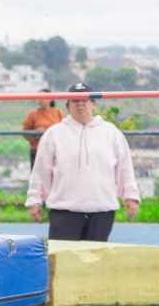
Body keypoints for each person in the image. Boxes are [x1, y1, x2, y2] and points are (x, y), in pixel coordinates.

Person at [26, 82, 140, 241]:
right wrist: (34, 200)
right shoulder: (53, 134)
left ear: (93, 104)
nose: (80, 104)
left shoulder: (112, 133)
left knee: (95, 256)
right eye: (75, 101)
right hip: (64, 210)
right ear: (68, 106)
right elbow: (41, 172)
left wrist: (131, 196)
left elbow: (125, 168)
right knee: (62, 257)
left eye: (84, 100)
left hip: (102, 210)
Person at [22, 89, 64, 169]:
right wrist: (35, 133)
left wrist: (48, 131)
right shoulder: (32, 114)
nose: (40, 100)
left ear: (50, 99)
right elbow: (25, 132)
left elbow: (63, 129)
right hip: (38, 149)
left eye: (43, 97)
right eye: (38, 97)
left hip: (55, 149)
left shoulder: (57, 112)